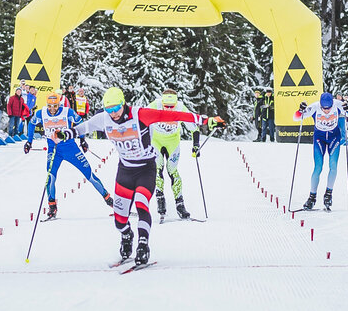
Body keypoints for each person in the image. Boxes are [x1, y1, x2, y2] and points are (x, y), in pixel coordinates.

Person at [52, 86, 224, 267]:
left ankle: (143, 245)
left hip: (145, 170)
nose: (113, 114)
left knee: (142, 205)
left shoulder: (140, 114)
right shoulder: (104, 118)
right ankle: (127, 236)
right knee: (119, 220)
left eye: (116, 108)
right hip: (125, 172)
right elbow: (83, 128)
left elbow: (173, 116)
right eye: (109, 109)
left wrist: (206, 120)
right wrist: (65, 134)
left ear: (123, 103)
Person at [24, 90, 113, 219]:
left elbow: (80, 123)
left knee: (89, 175)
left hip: (71, 149)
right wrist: (29, 142)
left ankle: (109, 200)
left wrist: (82, 140)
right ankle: (52, 207)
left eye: (55, 106)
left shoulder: (67, 112)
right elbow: (31, 124)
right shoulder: (41, 113)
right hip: (54, 150)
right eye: (50, 106)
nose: (52, 109)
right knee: (50, 178)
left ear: (59, 104)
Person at [146, 88, 200, 220]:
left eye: (172, 106)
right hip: (156, 142)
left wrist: (196, 145)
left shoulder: (181, 108)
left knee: (172, 171)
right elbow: (140, 120)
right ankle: (160, 199)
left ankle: (180, 204)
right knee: (157, 169)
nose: (169, 109)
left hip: (173, 143)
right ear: (162, 102)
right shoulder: (155, 105)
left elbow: (194, 128)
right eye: (166, 106)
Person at [295, 93, 346, 211]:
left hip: (334, 137)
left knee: (333, 166)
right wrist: (300, 110)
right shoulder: (314, 107)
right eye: (324, 109)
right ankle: (312, 198)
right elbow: (296, 117)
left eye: (329, 108)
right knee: (318, 167)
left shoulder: (338, 104)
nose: (327, 111)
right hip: (319, 138)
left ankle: (328, 195)